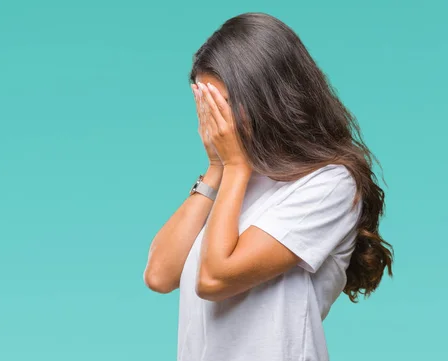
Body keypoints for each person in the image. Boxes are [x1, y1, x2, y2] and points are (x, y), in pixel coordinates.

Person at [143, 12, 394, 361]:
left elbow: (215, 279)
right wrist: (217, 167)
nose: (215, 121)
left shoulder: (330, 183)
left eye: (223, 105)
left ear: (268, 95)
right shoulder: (235, 176)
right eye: (205, 105)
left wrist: (233, 165)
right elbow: (159, 274)